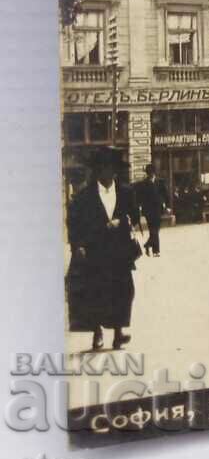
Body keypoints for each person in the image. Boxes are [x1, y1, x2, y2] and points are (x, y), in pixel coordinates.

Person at [66, 146, 137, 352]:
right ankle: (97, 332)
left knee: (123, 291)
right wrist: (77, 245)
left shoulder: (126, 192)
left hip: (119, 251)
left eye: (112, 168)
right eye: (104, 168)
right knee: (96, 292)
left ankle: (118, 332)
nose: (109, 173)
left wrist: (121, 221)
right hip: (95, 251)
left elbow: (132, 215)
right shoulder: (84, 196)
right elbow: (74, 222)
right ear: (97, 171)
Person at [134, 163, 168, 257]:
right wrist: (140, 206)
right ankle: (156, 251)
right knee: (153, 230)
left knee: (155, 230)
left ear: (154, 172)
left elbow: (165, 194)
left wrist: (166, 205)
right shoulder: (143, 184)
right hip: (148, 211)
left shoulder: (160, 182)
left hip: (158, 209)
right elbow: (139, 196)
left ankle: (147, 245)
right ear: (147, 173)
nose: (151, 174)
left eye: (152, 172)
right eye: (149, 173)